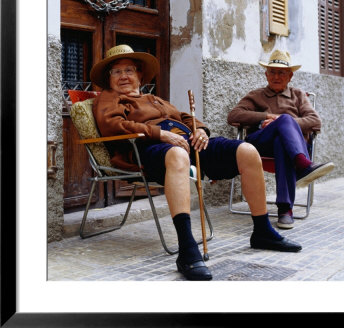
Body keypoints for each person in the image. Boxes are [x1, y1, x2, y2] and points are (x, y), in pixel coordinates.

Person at [90, 44, 302, 281]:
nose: (124, 76)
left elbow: (184, 117)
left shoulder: (155, 99)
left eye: (129, 70)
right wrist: (159, 134)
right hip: (147, 150)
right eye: (116, 72)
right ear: (109, 79)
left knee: (247, 150)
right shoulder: (109, 99)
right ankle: (187, 248)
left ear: (139, 75)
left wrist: (200, 130)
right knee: (178, 155)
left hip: (188, 144)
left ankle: (262, 231)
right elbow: (112, 125)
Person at [227, 49, 335, 229]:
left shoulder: (298, 95)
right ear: (266, 74)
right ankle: (302, 166)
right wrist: (265, 117)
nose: (276, 76)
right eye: (272, 72)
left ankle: (285, 209)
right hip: (261, 144)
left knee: (282, 140)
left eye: (281, 73)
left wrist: (283, 122)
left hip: (286, 148)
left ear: (290, 76)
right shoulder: (256, 95)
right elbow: (234, 115)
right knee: (283, 121)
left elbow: (315, 121)